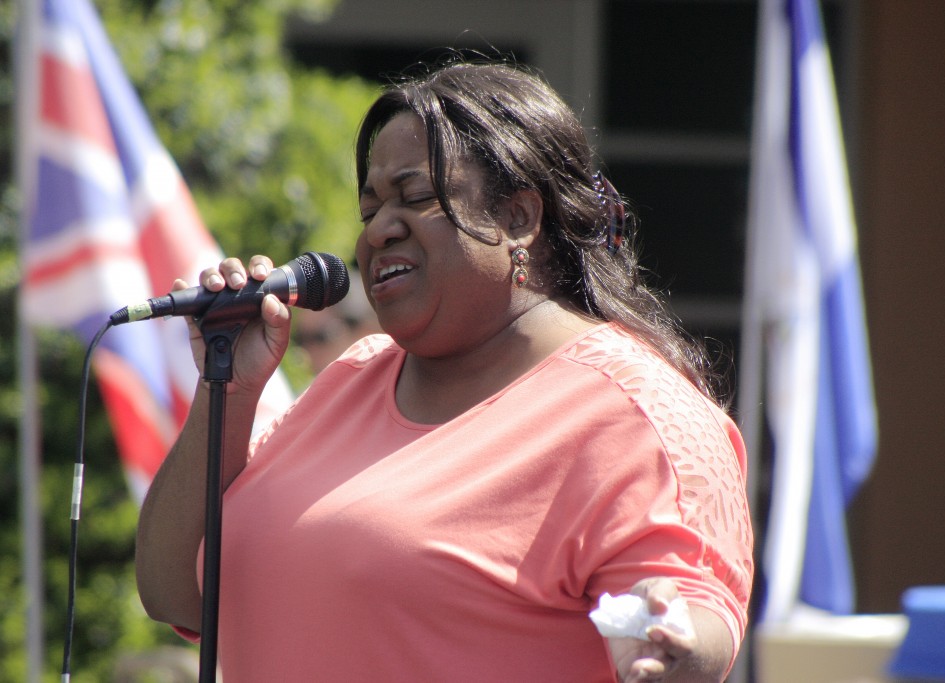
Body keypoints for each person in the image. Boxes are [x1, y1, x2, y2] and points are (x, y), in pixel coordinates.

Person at [135, 58, 754, 682]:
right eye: (369, 209)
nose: (379, 230)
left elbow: (690, 616)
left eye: (416, 197)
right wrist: (229, 393)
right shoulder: (351, 379)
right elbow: (173, 592)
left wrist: (669, 645)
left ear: (518, 218)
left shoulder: (633, 415)